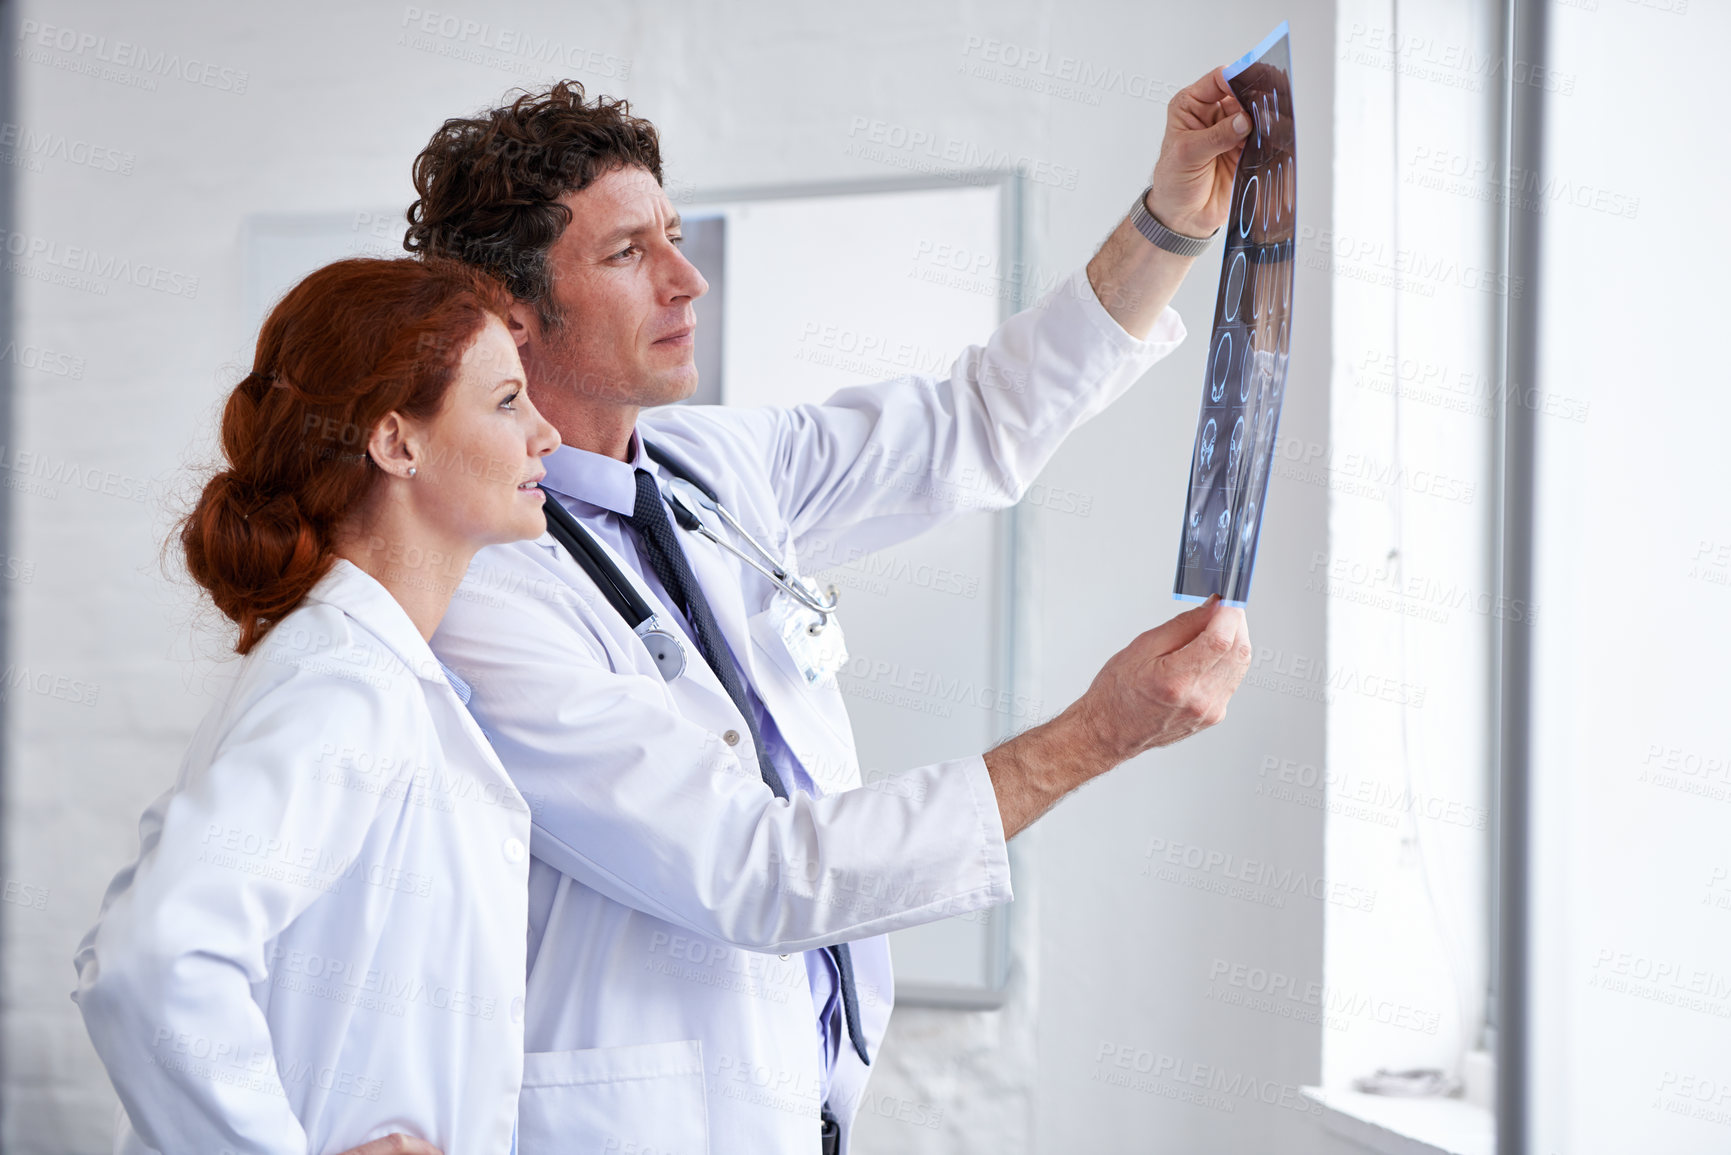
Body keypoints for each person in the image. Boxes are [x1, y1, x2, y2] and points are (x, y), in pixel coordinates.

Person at [410, 66, 1255, 1154]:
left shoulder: (709, 466)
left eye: (673, 234)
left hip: (797, 1108)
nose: (687, 278)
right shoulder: (480, 588)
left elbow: (978, 420)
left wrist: (1170, 224)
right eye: (629, 254)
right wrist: (1098, 734)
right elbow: (756, 869)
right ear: (511, 317)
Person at [73, 257, 560, 1155]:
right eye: (506, 402)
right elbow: (150, 961)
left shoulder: (370, 670)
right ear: (395, 443)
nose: (547, 433)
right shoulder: (342, 683)